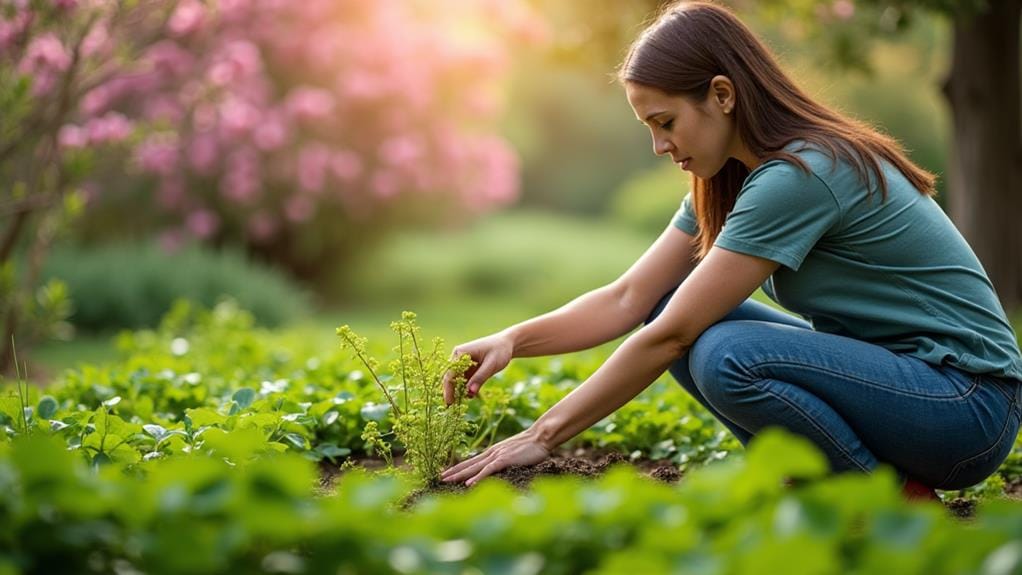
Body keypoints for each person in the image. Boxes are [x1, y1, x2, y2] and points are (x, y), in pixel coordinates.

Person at [439, 0, 1022, 500]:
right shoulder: (733, 179)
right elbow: (629, 297)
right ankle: (830, 479)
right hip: (909, 389)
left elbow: (673, 335)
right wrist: (513, 339)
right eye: (649, 127)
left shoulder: (803, 174)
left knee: (726, 353)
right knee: (671, 304)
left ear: (722, 94)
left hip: (967, 405)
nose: (658, 146)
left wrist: (544, 434)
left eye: (665, 122)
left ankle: (883, 495)